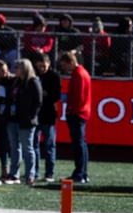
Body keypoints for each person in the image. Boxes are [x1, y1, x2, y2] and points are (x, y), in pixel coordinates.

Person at [59, 50, 91, 184]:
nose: (64, 68)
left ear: (71, 62)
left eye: (65, 65)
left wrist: (70, 109)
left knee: (79, 144)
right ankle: (82, 173)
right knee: (81, 144)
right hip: (80, 112)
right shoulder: (81, 73)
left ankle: (80, 173)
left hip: (78, 113)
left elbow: (78, 97)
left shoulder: (78, 74)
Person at [9, 59, 42, 186]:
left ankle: (30, 175)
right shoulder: (17, 82)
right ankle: (14, 174)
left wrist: (31, 116)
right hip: (13, 119)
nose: (15, 69)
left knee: (28, 148)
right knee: (15, 147)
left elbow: (38, 102)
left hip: (26, 121)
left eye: (17, 67)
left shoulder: (33, 82)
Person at [34, 53, 61, 182]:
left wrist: (45, 94)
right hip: (36, 115)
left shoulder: (55, 76)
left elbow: (56, 96)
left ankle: (49, 173)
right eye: (39, 66)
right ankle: (35, 172)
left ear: (49, 63)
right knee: (34, 145)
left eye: (43, 66)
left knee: (49, 145)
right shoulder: (35, 75)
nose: (42, 69)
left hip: (49, 115)